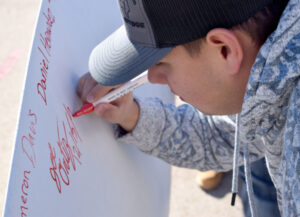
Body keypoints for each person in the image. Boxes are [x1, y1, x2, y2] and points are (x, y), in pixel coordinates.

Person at [77, 0, 300, 216]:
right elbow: (224, 136)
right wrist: (132, 116)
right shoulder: (270, 79)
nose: (154, 78)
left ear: (225, 50)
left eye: (162, 64)